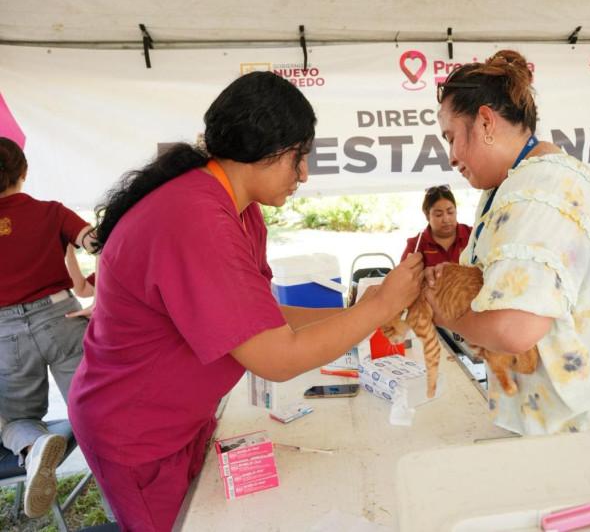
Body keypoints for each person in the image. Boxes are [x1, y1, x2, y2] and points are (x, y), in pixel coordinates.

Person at [67, 71, 423, 531]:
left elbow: (258, 317)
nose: (304, 174)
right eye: (298, 157)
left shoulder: (238, 209)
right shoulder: (196, 218)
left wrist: (357, 311)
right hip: (138, 431)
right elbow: (276, 357)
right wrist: (377, 309)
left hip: (181, 418)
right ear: (264, 149)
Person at [427, 50, 590, 468]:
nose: (451, 155)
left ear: (486, 122)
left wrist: (442, 311)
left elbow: (514, 328)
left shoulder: (540, 190)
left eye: (451, 136)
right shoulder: (514, 183)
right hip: (572, 419)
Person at [0, 137, 95, 518]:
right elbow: (102, 243)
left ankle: (33, 446)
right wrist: (104, 297)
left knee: (17, 419)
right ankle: (123, 502)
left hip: (5, 332)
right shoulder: (52, 212)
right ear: (24, 171)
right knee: (94, 413)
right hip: (63, 318)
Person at [400, 184, 472, 266]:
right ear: (427, 216)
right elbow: (404, 272)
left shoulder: (473, 234)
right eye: (438, 215)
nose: (446, 219)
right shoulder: (416, 244)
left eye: (450, 212)